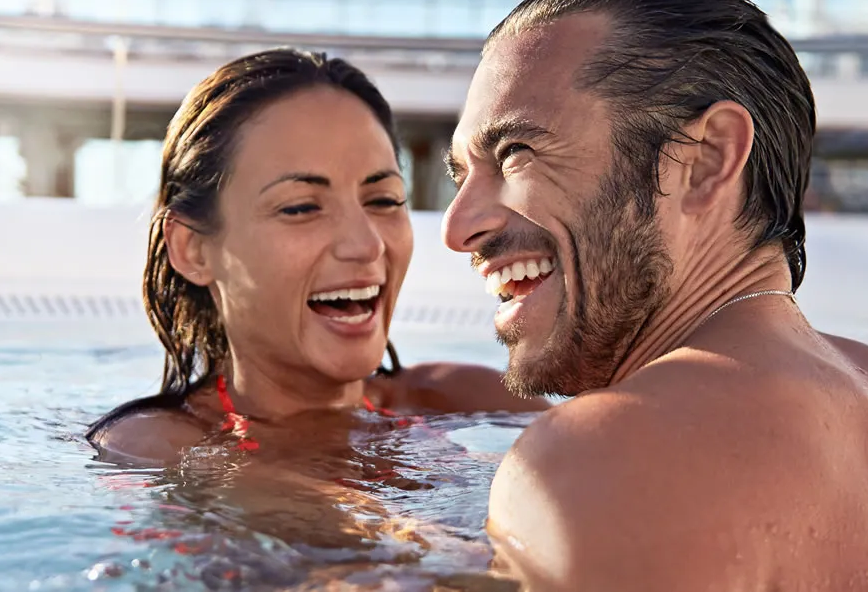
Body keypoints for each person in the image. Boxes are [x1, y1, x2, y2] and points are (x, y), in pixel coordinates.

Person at [442, 0, 868, 591]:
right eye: (459, 175)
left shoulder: (602, 462)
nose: (457, 226)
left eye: (516, 153)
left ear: (707, 160)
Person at [88, 48, 542, 466]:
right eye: (301, 207)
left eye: (384, 200)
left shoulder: (469, 399)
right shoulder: (162, 447)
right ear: (193, 249)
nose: (367, 245)